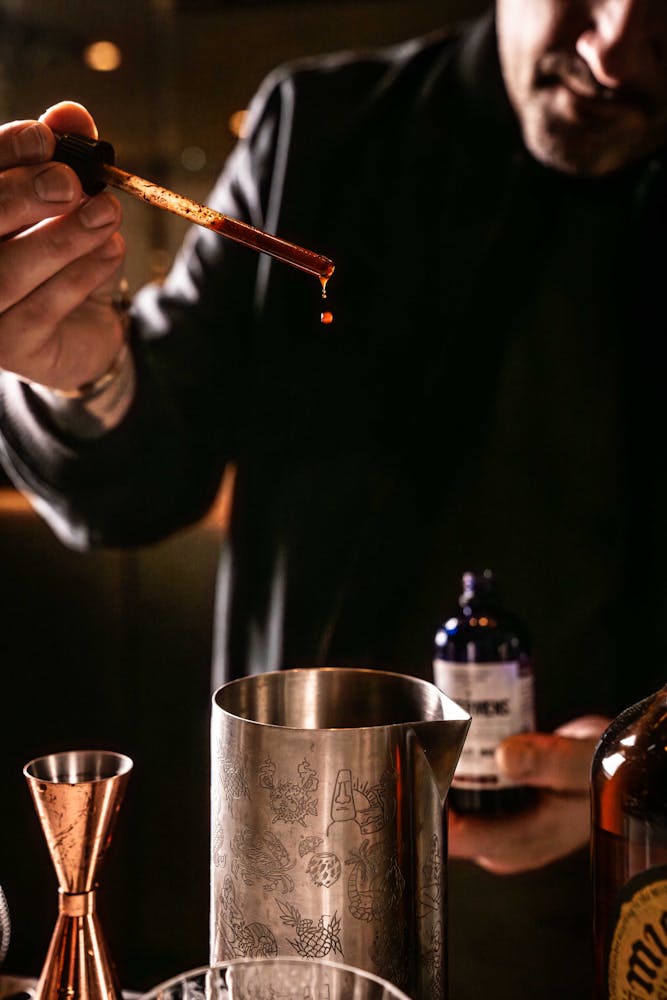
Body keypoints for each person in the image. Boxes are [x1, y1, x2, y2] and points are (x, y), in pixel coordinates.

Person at [0, 0, 666, 996]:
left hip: (616, 920)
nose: (613, 40)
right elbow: (141, 476)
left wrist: (646, 766)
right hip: (291, 914)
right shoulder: (321, 127)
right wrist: (76, 376)